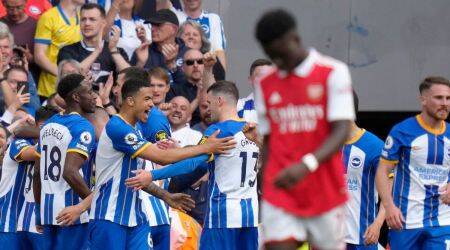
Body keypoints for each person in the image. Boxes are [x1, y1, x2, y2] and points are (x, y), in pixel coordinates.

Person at [88, 77, 235, 249]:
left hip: (137, 219)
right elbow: (162, 158)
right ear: (130, 101)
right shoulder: (117, 128)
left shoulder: (136, 130)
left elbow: (136, 179)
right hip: (109, 217)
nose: (152, 104)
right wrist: (206, 147)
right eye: (147, 99)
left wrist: (165, 195)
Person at [254, 9, 355, 250]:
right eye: (270, 56)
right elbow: (268, 140)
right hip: (282, 189)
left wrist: (306, 165)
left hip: (324, 190)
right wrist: (264, 185)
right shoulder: (266, 82)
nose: (277, 63)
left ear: (294, 40)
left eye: (279, 55)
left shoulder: (332, 72)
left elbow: (342, 130)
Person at [128, 80, 261, 250]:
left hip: (223, 214)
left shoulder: (219, 130)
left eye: (209, 103)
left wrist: (152, 175)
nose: (206, 109)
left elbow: (192, 164)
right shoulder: (253, 130)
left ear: (219, 101)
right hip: (250, 215)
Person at [375, 76, 450, 250]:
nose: (445, 103)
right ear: (423, 100)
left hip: (443, 221)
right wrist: (389, 206)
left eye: (448, 98)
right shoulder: (402, 130)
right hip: (405, 221)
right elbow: (383, 171)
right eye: (438, 98)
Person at [34, 74, 97, 250]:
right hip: (72, 212)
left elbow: (37, 172)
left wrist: (39, 209)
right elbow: (69, 171)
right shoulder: (82, 127)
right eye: (90, 91)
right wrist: (91, 201)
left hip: (48, 210)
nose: (95, 96)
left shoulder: (48, 125)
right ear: (76, 97)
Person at [342, 91, 386, 249]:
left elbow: (390, 192)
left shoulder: (374, 146)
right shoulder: (325, 145)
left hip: (361, 237)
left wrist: (378, 224)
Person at [15, 105, 58, 250]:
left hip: (46, 217)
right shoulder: (21, 143)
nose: (49, 132)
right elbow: (18, 131)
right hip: (29, 219)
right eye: (44, 127)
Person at [57, 3, 130, 87]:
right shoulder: (67, 51)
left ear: (103, 23)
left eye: (92, 19)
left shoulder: (117, 51)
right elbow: (72, 80)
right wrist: (97, 51)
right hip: (78, 99)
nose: (87, 23)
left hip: (109, 99)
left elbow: (130, 78)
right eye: (83, 19)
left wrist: (113, 50)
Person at [34, 0, 84, 99]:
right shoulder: (48, 17)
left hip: (77, 89)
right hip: (51, 90)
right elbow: (39, 56)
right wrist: (65, 76)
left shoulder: (83, 17)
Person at [131, 9, 187, 85]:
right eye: (151, 25)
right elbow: (130, 87)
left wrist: (173, 66)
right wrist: (140, 64)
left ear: (174, 29)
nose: (152, 29)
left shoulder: (188, 53)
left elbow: (190, 90)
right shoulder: (143, 51)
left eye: (158, 25)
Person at [166, 48, 215, 125]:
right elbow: (174, 119)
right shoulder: (173, 89)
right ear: (182, 68)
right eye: (190, 62)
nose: (195, 65)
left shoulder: (213, 86)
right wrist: (197, 100)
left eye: (200, 61)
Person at [237, 58, 273, 123]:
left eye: (268, 75)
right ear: (250, 79)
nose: (264, 79)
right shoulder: (239, 106)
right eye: (259, 75)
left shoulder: (284, 107)